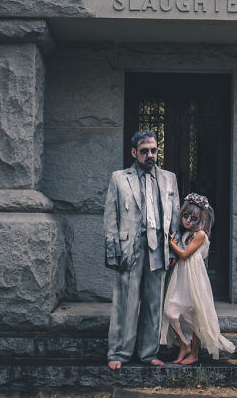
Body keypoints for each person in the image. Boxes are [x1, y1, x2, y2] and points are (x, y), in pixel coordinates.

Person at [104, 129, 180, 370]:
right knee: (126, 302)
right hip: (130, 247)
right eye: (145, 151)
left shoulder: (169, 178)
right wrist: (111, 251)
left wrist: (175, 249)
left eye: (154, 150)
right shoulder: (119, 178)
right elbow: (110, 216)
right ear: (134, 152)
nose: (150, 155)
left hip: (159, 247)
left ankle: (148, 353)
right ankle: (119, 353)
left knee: (153, 303)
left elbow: (175, 216)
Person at [160, 193, 235, 365]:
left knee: (197, 316)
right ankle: (184, 345)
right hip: (181, 278)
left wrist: (171, 243)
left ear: (200, 220)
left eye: (193, 218)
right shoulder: (186, 233)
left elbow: (185, 254)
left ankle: (194, 353)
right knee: (171, 312)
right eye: (185, 216)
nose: (188, 221)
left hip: (195, 278)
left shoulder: (200, 234)